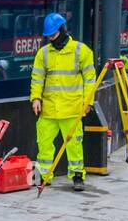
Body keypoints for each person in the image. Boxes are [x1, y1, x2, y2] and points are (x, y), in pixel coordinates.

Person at [30, 13, 97, 191]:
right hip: (49, 109)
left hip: (72, 108)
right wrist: (36, 98)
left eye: (54, 35)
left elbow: (90, 79)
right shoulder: (43, 54)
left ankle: (77, 175)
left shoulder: (81, 51)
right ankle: (43, 176)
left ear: (62, 30)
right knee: (43, 143)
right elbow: (37, 78)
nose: (51, 39)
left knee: (74, 144)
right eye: (49, 36)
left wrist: (88, 102)